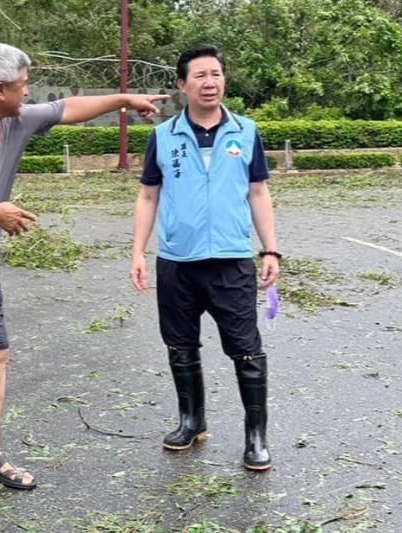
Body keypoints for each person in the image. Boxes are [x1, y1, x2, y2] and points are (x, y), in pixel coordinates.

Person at [0, 42, 168, 514]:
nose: (29, 90)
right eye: (24, 83)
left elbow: (69, 108)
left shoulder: (16, 118)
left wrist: (126, 100)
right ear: (0, 88)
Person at [130, 44, 280, 471]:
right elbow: (147, 195)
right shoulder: (162, 136)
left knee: (246, 349)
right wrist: (138, 251)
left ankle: (255, 435)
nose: (209, 82)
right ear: (183, 85)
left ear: (224, 80)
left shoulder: (247, 132)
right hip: (177, 260)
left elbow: (258, 192)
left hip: (231, 259)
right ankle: (191, 421)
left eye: (216, 74)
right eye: (199, 75)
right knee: (180, 344)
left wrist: (270, 248)